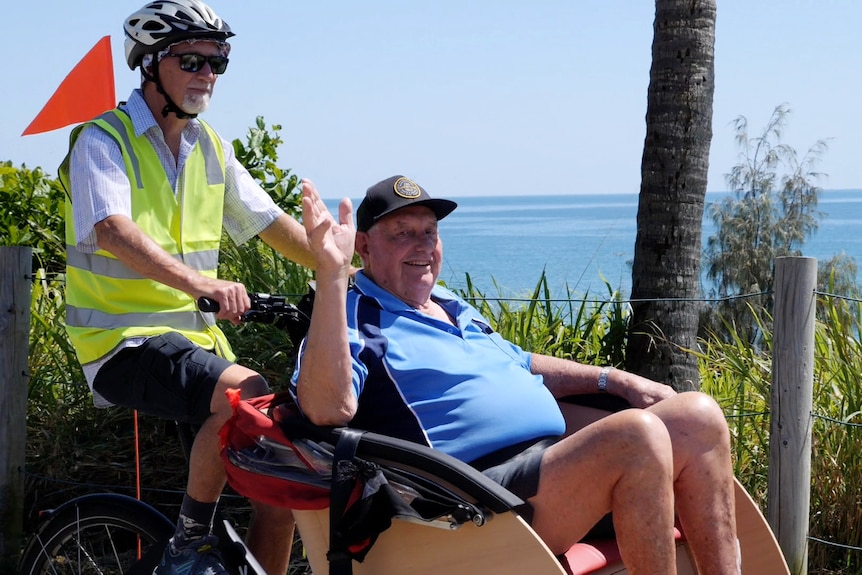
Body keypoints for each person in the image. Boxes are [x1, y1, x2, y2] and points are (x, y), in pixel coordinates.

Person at [293, 175, 742, 574]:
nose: (423, 246)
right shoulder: (351, 315)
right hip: (475, 500)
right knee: (637, 435)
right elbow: (326, 407)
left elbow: (519, 362)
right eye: (402, 234)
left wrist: (614, 379)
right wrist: (331, 276)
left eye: (430, 232)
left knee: (697, 416)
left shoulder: (449, 305)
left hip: (551, 467)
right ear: (365, 246)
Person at [59, 1, 327, 573]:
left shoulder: (210, 146)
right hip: (121, 342)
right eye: (193, 60)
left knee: (280, 488)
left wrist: (347, 273)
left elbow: (270, 225)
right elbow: (112, 230)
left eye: (217, 63)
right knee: (246, 392)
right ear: (150, 64)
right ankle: (186, 545)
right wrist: (200, 281)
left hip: (199, 346)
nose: (207, 75)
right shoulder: (102, 140)